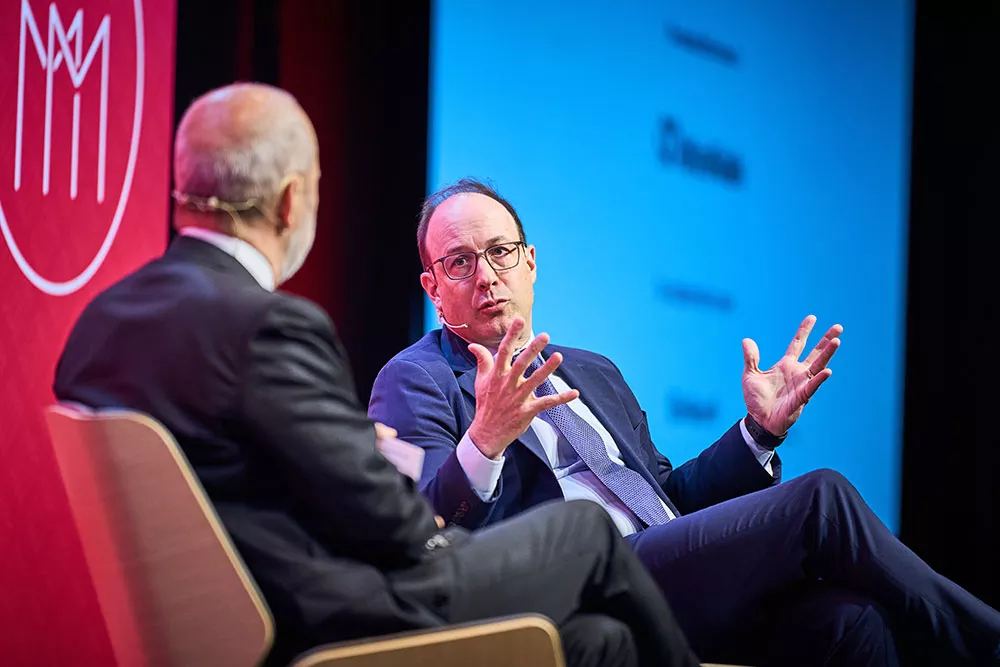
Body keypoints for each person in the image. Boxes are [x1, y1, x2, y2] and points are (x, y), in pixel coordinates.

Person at [53, 85, 700, 667]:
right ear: (289, 202)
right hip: (325, 611)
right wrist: (395, 469)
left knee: (600, 642)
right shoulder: (268, 327)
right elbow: (391, 524)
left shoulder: (98, 324)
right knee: (584, 532)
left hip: (224, 617)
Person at [369, 177, 1000, 667]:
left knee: (851, 620)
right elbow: (420, 529)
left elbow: (670, 501)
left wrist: (758, 434)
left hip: (670, 578)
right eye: (459, 262)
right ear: (433, 288)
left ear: (530, 262)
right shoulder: (416, 378)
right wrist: (486, 439)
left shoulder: (593, 372)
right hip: (573, 587)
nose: (486, 276)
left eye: (501, 252)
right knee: (821, 499)